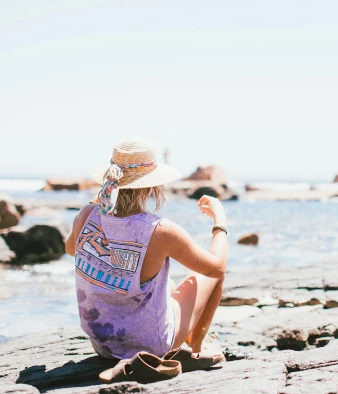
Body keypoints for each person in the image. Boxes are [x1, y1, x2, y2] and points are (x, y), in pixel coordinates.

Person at [65, 139, 228, 366]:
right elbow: (217, 267)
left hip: (102, 344)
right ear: (153, 185)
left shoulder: (86, 215)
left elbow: (71, 249)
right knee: (209, 275)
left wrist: (103, 196)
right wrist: (219, 218)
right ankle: (196, 349)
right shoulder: (160, 231)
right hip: (152, 345)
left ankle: (190, 341)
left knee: (166, 282)